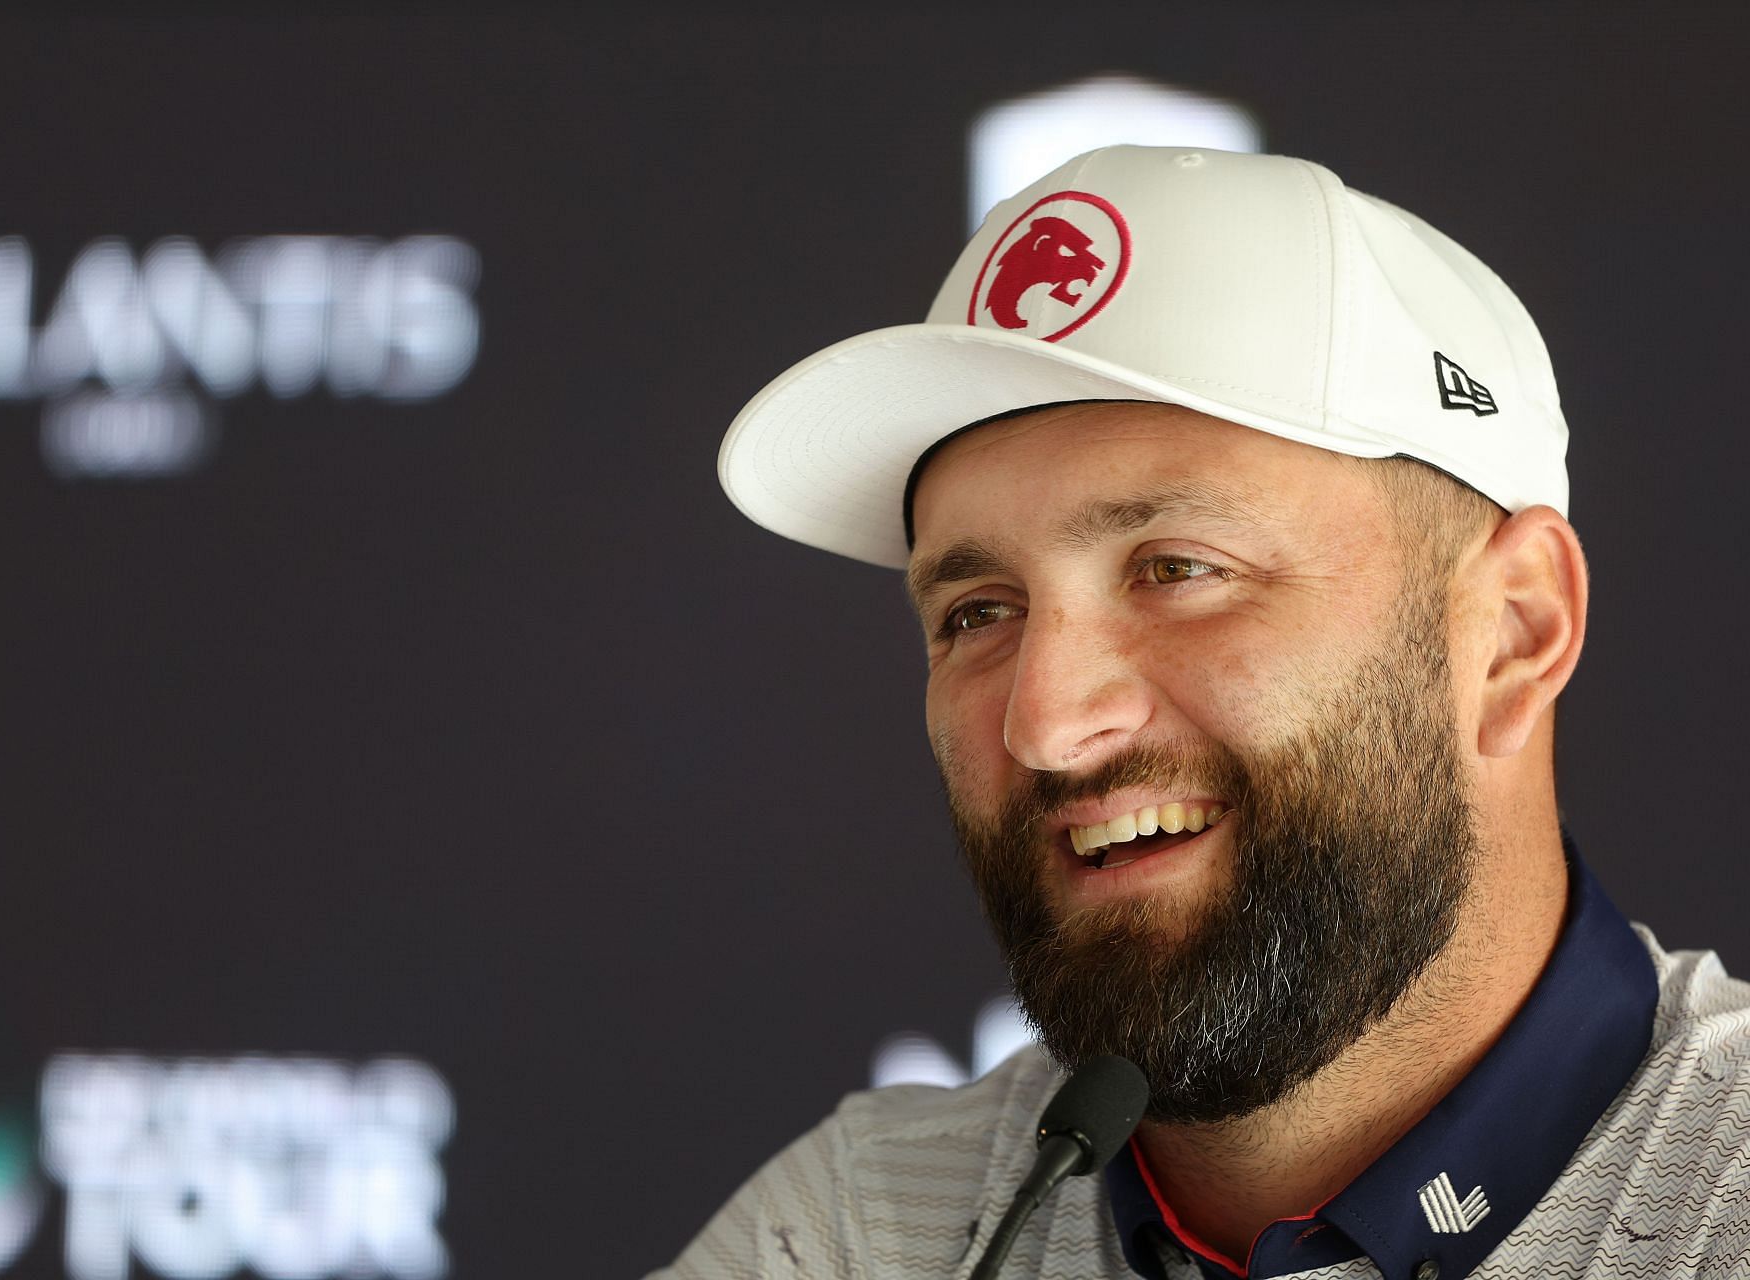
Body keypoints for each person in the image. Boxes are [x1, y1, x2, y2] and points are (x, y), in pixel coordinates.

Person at [654, 146, 1750, 1279]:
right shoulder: (873, 1228)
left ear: (1514, 633)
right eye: (980, 610)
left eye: (1177, 568)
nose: (1045, 721)